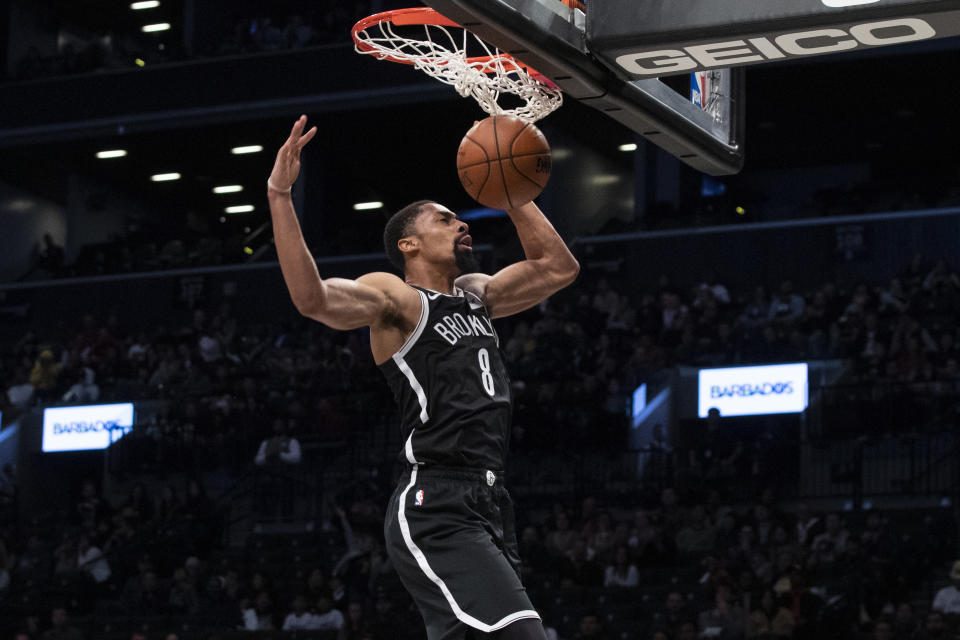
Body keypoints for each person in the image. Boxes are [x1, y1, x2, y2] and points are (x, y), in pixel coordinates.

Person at [267, 115, 579, 640]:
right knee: (524, 635)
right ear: (408, 245)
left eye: (460, 218)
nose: (462, 225)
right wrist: (280, 193)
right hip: (436, 500)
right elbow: (313, 298)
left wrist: (514, 191)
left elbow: (557, 268)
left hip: (490, 498)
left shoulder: (477, 293)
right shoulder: (397, 297)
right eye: (444, 219)